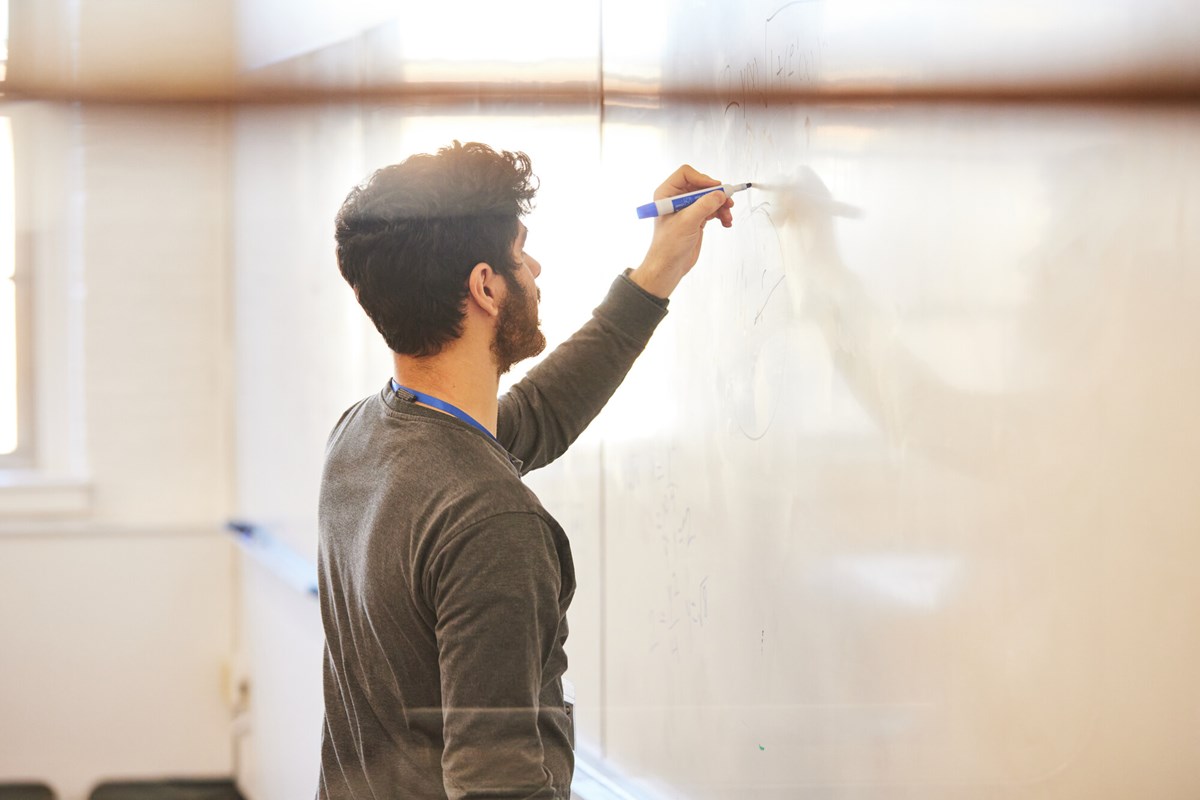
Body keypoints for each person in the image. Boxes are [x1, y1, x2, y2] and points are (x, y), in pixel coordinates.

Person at [316, 141, 735, 799]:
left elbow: (538, 415)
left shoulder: (364, 437)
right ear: (485, 286)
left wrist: (659, 269)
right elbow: (496, 784)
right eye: (520, 254)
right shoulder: (489, 520)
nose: (535, 268)